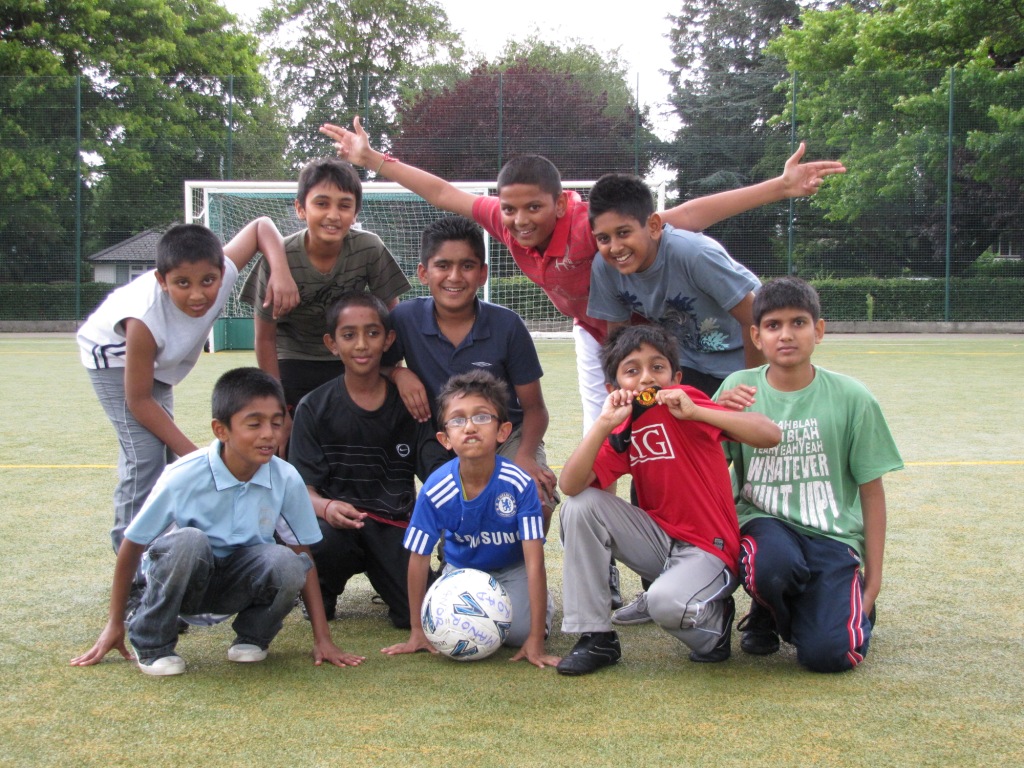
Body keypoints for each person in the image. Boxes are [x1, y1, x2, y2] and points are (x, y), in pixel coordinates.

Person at [321, 115, 843, 434]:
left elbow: (686, 216)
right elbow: (441, 192)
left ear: (559, 203)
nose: (520, 220)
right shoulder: (505, 221)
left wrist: (778, 188)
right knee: (606, 430)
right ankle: (607, 552)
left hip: (643, 335)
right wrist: (373, 159)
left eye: (533, 208)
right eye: (510, 209)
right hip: (594, 333)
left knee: (667, 426)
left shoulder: (592, 225)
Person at [71, 368, 366, 676]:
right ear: (221, 430)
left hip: (236, 584)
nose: (269, 434)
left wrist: (323, 639)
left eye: (276, 423)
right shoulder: (183, 475)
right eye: (254, 424)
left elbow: (303, 553)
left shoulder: (285, 477)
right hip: (183, 581)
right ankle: (152, 644)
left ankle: (253, 638)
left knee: (289, 561)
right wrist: (114, 622)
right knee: (189, 541)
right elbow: (133, 544)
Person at [584, 172, 765, 625]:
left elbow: (755, 317)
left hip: (739, 364)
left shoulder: (692, 253)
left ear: (654, 225)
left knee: (752, 474)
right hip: (679, 368)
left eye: (624, 233)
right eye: (603, 238)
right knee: (651, 456)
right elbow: (617, 339)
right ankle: (661, 586)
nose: (614, 247)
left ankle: (758, 596)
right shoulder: (605, 267)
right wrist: (623, 392)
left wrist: (753, 386)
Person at [555, 325, 781, 675]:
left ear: (675, 377)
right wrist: (603, 424)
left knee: (664, 603)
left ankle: (716, 622)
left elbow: (770, 434)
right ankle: (596, 637)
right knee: (580, 506)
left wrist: (699, 412)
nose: (647, 378)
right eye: (632, 370)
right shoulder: (624, 427)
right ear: (614, 388)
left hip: (708, 548)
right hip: (661, 544)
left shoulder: (685, 403)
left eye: (657, 367)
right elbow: (570, 484)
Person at [78, 220, 299, 562]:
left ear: (220, 274)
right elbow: (139, 400)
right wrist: (201, 460)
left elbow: (261, 228)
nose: (198, 295)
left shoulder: (223, 272)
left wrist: (280, 273)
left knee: (166, 460)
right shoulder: (144, 319)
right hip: (114, 358)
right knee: (146, 458)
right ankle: (132, 565)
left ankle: (165, 553)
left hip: (159, 364)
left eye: (207, 281)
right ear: (162, 281)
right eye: (183, 283)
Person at [714, 277, 902, 672]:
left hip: (831, 535)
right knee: (771, 566)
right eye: (773, 325)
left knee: (829, 656)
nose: (786, 335)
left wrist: (873, 582)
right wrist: (717, 420)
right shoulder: (738, 389)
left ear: (818, 330)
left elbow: (872, 493)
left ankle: (841, 601)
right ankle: (767, 611)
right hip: (762, 523)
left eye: (798, 323)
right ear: (757, 336)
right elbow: (706, 468)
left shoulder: (853, 397)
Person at [287, 292, 449, 628]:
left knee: (420, 615)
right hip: (336, 527)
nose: (361, 344)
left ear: (388, 340)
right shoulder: (313, 407)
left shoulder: (411, 405)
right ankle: (321, 591)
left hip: (392, 525)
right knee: (322, 539)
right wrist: (327, 507)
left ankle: (394, 579)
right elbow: (302, 491)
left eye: (372, 333)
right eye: (349, 335)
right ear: (332, 343)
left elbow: (438, 474)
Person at [382, 370, 560, 669]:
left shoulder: (519, 484)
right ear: (445, 439)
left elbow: (534, 560)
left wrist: (535, 639)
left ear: (503, 431)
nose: (469, 426)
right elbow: (418, 558)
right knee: (444, 627)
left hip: (512, 567)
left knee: (518, 634)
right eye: (457, 419)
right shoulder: (436, 489)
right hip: (460, 571)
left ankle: (542, 606)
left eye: (481, 417)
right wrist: (416, 630)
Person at [385, 216, 559, 521]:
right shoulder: (404, 319)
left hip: (504, 436)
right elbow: (370, 368)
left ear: (482, 273)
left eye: (466, 265)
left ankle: (523, 554)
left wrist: (524, 457)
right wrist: (398, 373)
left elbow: (535, 409)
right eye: (443, 265)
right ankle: (452, 547)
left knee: (536, 498)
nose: (454, 276)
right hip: (442, 439)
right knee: (457, 511)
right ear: (424, 273)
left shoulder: (507, 325)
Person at [239, 156, 411, 448]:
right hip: (294, 358)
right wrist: (278, 406)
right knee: (293, 443)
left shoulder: (369, 248)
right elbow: (265, 338)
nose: (333, 215)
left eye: (344, 205)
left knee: (366, 436)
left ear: (355, 213)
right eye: (321, 203)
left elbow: (391, 317)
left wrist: (395, 373)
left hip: (349, 358)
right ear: (300, 209)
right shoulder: (278, 259)